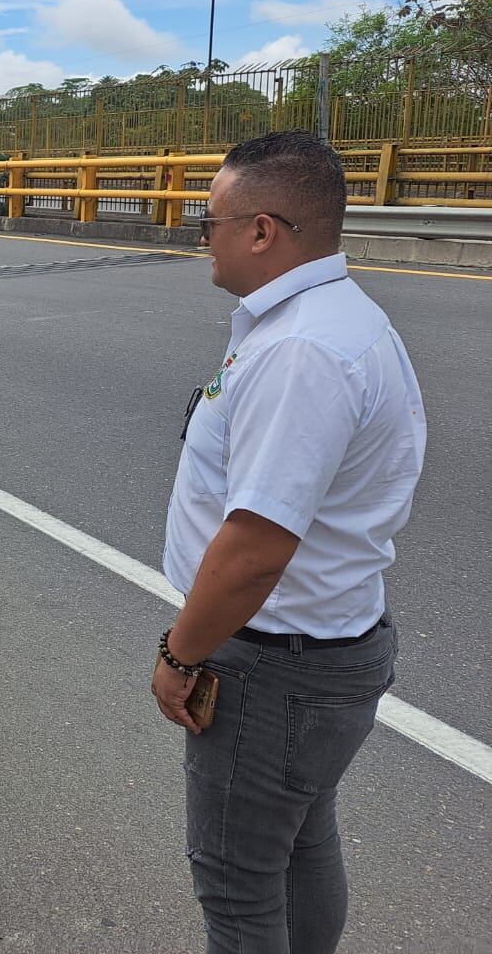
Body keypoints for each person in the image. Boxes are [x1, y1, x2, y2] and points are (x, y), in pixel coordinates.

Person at [152, 130, 425, 954]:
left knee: (237, 887)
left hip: (273, 665)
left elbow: (254, 551)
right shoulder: (334, 318)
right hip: (326, 647)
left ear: (262, 230)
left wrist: (180, 656)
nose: (204, 239)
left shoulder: (301, 349)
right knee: (301, 842)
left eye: (211, 223)